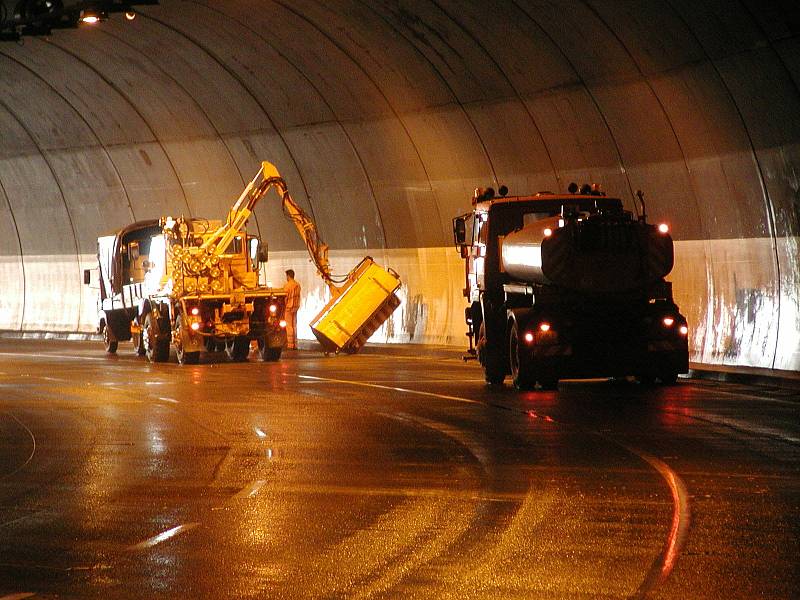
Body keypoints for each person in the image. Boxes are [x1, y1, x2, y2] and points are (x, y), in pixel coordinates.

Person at [284, 269, 301, 349]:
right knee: (294, 325)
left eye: (286, 276)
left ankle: (290, 344)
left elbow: (285, 297)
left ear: (288, 276)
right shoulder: (298, 285)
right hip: (295, 307)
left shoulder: (287, 286)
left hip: (288, 307)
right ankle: (295, 344)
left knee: (289, 325)